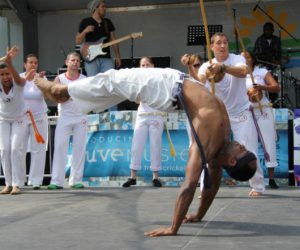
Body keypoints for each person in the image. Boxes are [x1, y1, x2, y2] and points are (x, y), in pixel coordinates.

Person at [34, 66, 258, 237]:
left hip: (164, 86)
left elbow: (190, 186)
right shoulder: (221, 144)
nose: (241, 145)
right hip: (172, 86)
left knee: (112, 79)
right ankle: (64, 93)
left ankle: (59, 90)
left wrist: (173, 227)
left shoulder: (212, 142)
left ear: (231, 161)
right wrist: (198, 215)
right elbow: (213, 183)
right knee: (113, 89)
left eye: (242, 151)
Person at [197, 32, 265, 197]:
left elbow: (243, 72)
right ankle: (205, 187)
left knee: (248, 149)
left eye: (225, 42)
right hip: (219, 117)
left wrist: (224, 68)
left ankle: (258, 186)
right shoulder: (206, 65)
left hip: (240, 112)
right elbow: (198, 82)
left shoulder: (237, 59)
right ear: (211, 47)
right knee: (209, 151)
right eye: (218, 43)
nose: (222, 46)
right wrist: (201, 71)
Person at [47, 52, 88, 190]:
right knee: (59, 147)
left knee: (79, 148)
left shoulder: (84, 79)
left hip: (80, 116)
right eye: (72, 60)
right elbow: (53, 95)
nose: (75, 62)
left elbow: (88, 96)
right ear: (66, 62)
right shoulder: (59, 78)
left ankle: (76, 180)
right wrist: (63, 97)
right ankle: (57, 181)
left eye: (77, 60)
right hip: (65, 116)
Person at [122, 57, 164, 188]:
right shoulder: (137, 80)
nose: (145, 67)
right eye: (143, 65)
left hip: (156, 115)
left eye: (148, 64)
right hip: (142, 115)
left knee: (155, 146)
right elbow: (136, 100)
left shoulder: (160, 79)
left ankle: (155, 176)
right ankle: (133, 176)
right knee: (136, 145)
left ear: (153, 65)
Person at [243, 51, 281, 189]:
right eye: (241, 57)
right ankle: (254, 179)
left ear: (252, 59)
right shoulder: (237, 75)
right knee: (249, 144)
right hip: (246, 111)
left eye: (247, 56)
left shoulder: (261, 72)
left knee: (268, 142)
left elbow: (276, 87)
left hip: (262, 109)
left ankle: (271, 178)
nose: (244, 59)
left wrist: (262, 87)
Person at [0, 47, 27, 195]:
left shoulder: (18, 83)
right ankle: (8, 183)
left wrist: (9, 62)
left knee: (15, 149)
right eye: (2, 74)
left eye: (7, 74)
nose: (5, 77)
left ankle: (17, 184)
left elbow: (17, 78)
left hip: (19, 119)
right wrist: (4, 58)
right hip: (3, 120)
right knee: (4, 150)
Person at [20, 54, 48, 189]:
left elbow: (48, 95)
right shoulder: (19, 78)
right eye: (30, 62)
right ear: (25, 64)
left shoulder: (41, 78)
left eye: (36, 63)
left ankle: (36, 181)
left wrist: (42, 83)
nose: (33, 65)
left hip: (39, 117)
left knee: (39, 149)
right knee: (19, 149)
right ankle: (18, 180)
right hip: (21, 118)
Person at [75, 0, 121, 76]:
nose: (105, 8)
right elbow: (77, 40)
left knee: (109, 80)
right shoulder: (85, 22)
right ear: (95, 8)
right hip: (91, 59)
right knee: (93, 82)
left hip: (106, 58)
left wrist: (118, 56)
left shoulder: (107, 22)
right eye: (103, 6)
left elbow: (114, 41)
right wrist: (85, 31)